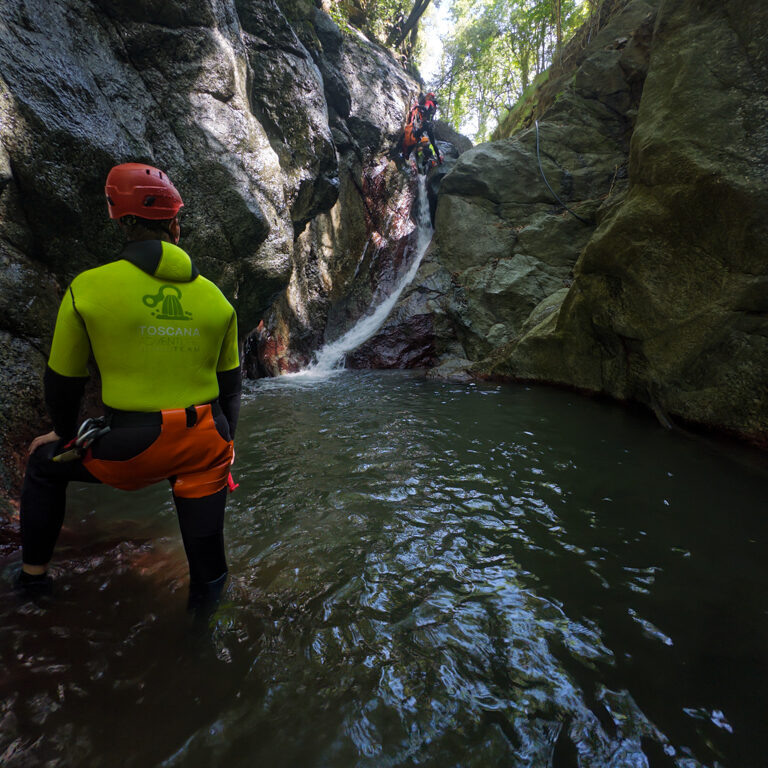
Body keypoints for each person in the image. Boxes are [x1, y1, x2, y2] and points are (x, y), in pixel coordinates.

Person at [17, 162, 242, 611]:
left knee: (43, 466)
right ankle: (209, 642)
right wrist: (226, 444)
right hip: (205, 442)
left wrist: (64, 435)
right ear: (176, 225)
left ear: (119, 219)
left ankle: (33, 584)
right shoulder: (218, 299)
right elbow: (231, 388)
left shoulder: (89, 288)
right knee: (210, 572)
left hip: (131, 446)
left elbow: (63, 382)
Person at [401, 92, 443, 172]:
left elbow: (426, 108)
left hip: (426, 124)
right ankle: (439, 158)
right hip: (430, 126)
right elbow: (428, 112)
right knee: (433, 143)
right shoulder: (434, 106)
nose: (426, 97)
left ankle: (406, 155)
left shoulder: (429, 102)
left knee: (415, 136)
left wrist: (417, 106)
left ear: (430, 96)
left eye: (427, 96)